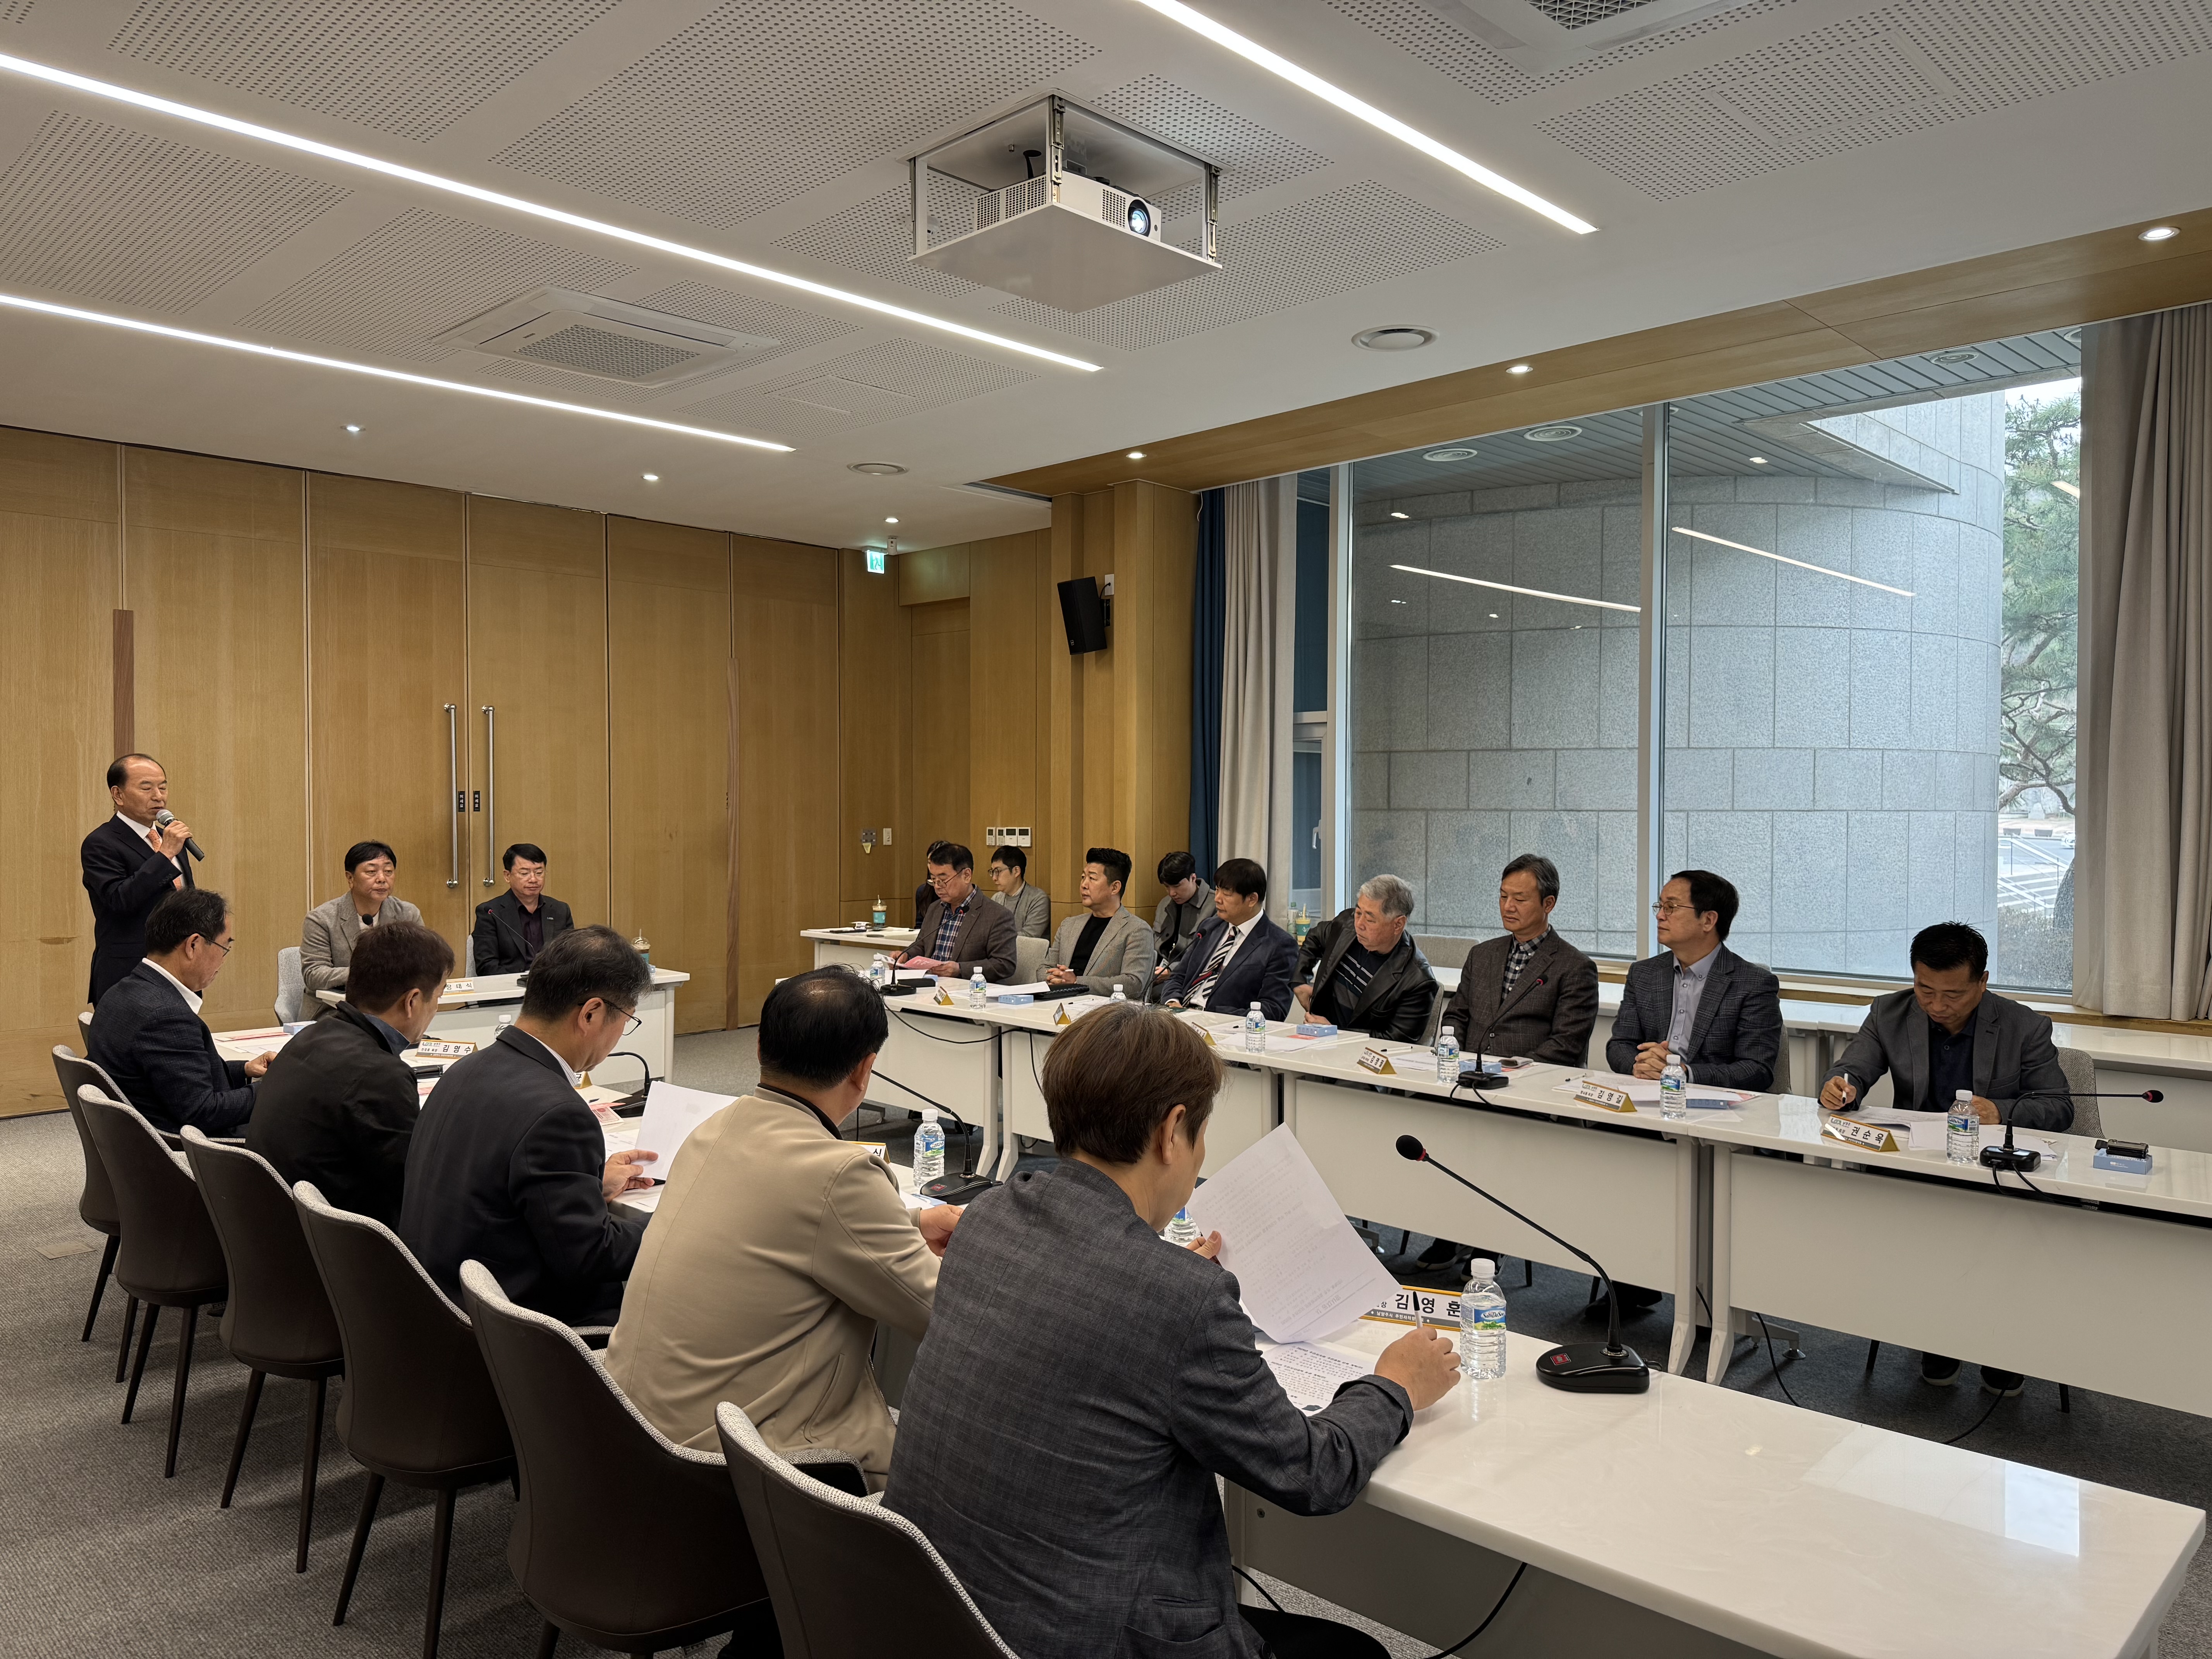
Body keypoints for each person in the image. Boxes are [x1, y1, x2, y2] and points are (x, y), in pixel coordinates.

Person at [885, 1003, 1459, 1659]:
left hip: (945, 1615)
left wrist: (1165, 1275)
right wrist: (1395, 1385)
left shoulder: (989, 1217)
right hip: (1091, 1637)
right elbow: (1312, 1472)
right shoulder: (1181, 1301)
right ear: (1171, 1132)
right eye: (1202, 1134)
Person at [606, 970, 960, 1479]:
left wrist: (914, 1221)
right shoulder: (840, 1173)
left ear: (758, 1048)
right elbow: (944, 1311)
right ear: (865, 1070)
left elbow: (783, 1222)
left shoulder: (713, 1128)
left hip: (635, 1436)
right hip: (743, 1471)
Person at [1820, 921, 2071, 1395]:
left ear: (1983, 981)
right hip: (1921, 1172)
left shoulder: (2024, 1026)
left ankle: (2002, 1349)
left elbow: (2059, 1107)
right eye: (1925, 990)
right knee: (1921, 1236)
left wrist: (2000, 1112)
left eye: (1953, 994)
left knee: (1996, 1245)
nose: (1937, 1005)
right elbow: (1853, 1067)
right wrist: (1842, 1087)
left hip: (1995, 1179)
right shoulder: (1889, 1012)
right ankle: (1938, 1337)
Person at [400, 926, 658, 1325]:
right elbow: (592, 1257)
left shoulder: (465, 1071)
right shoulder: (559, 1114)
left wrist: (590, 1186)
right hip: (511, 1333)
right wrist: (676, 1219)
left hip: (436, 1310)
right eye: (626, 1019)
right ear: (591, 1014)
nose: (622, 1033)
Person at [246, 922, 453, 1228]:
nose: (436, 1008)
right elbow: (418, 1192)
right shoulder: (381, 1076)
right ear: (412, 1002)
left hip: (274, 1226)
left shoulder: (311, 1037)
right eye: (438, 996)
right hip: (338, 1244)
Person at [88, 888, 273, 1136]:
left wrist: (246, 1069)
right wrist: (279, 1086)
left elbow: (176, 1080)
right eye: (224, 948)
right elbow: (204, 1112)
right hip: (199, 1149)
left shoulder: (120, 993)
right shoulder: (165, 1016)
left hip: (141, 1139)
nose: (223, 960)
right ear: (193, 945)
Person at [1606, 870, 1781, 1091]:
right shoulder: (1643, 973)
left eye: (1671, 907)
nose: (1660, 916)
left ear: (1708, 920)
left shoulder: (1754, 984)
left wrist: (1683, 1073)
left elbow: (1757, 1069)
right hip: (1647, 1094)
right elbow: (1620, 1044)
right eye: (1660, 906)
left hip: (1710, 1102)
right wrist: (1641, 1066)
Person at [1440, 854, 1601, 1066]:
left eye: (1520, 899)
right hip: (1468, 1072)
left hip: (1531, 1078)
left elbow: (1566, 1044)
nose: (1508, 907)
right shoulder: (1481, 955)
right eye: (1503, 896)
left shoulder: (1575, 968)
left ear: (1548, 904)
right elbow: (1456, 1016)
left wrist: (1511, 1069)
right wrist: (1456, 1060)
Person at [81, 753, 196, 1004]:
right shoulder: (101, 843)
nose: (158, 796)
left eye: (163, 787)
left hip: (180, 970)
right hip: (129, 974)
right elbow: (120, 900)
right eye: (146, 788)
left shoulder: (170, 839)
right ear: (118, 795)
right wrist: (165, 854)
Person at [1295, 874, 1438, 1042]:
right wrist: (1299, 979)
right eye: (1358, 913)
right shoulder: (1347, 924)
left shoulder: (1418, 981)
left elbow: (1396, 1040)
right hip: (1314, 1042)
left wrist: (1335, 1033)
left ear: (1398, 925)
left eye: (1370, 919)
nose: (1359, 924)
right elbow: (1316, 937)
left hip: (1362, 1054)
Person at [1159, 857, 1298, 1022]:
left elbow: (1273, 1011)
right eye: (1217, 890)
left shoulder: (1279, 944)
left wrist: (1208, 1015)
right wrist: (1173, 1002)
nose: (1217, 898)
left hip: (1224, 1027)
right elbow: (1178, 976)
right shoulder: (1210, 927)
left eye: (1227, 894)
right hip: (1181, 1020)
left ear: (1252, 899)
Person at [301, 840, 423, 996]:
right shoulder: (321, 919)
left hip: (393, 1002)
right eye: (372, 872)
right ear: (350, 878)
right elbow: (314, 975)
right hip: (336, 1006)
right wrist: (368, 973)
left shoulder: (407, 914)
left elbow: (424, 962)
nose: (382, 879)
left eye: (388, 871)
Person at [1043, 847, 1156, 999]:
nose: (1084, 885)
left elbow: (1132, 984)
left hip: (1104, 1009)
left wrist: (1076, 982)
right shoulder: (1069, 925)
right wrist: (1055, 978)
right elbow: (1045, 968)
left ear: (1115, 887)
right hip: (1057, 1002)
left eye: (1092, 879)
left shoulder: (1137, 930)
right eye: (1083, 877)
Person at [896, 841, 1017, 982]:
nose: (937, 887)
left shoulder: (997, 916)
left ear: (967, 875)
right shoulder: (935, 908)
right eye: (933, 880)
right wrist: (906, 956)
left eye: (943, 880)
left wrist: (960, 969)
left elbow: (1005, 965)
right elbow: (922, 946)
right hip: (929, 985)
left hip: (967, 990)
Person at [473, 841, 574, 974]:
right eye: (525, 873)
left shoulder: (560, 910)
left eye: (539, 873)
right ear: (507, 876)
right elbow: (486, 966)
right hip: (509, 984)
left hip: (551, 983)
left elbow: (571, 957)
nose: (533, 879)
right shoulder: (491, 913)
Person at [1150, 851, 1213, 997]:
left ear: (1193, 878)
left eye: (1177, 886)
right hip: (1157, 972)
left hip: (1189, 978)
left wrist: (1172, 971)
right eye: (1167, 887)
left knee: (1156, 996)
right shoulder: (1165, 904)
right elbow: (1152, 945)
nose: (1172, 893)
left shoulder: (1214, 906)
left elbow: (1208, 955)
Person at [985, 843, 1051, 939]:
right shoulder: (997, 899)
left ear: (1016, 871)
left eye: (998, 871)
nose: (994, 878)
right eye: (993, 872)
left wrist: (994, 937)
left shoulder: (1038, 899)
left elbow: (1028, 938)